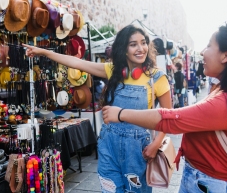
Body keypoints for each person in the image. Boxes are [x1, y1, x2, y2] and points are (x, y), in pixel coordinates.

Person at [102, 22, 227, 193]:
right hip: (205, 179)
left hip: (210, 183)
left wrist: (121, 113)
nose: (203, 52)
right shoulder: (226, 90)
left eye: (209, 45)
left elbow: (172, 120)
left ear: (226, 56)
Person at [23, 24, 172, 193]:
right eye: (133, 44)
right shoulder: (113, 72)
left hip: (138, 150)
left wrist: (156, 143)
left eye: (143, 43)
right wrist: (45, 52)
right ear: (123, 49)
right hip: (109, 145)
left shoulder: (157, 78)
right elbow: (76, 62)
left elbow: (169, 117)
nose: (141, 48)